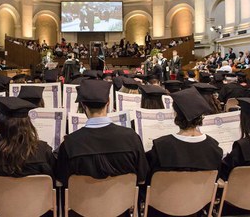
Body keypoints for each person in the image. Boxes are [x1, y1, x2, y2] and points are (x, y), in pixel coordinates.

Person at [56, 80, 149, 214]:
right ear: (108, 102)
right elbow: (142, 179)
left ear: (83, 105)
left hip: (82, 213)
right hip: (120, 212)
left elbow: (61, 183)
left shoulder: (70, 144)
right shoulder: (131, 138)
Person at [146, 87, 222, 216]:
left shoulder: (161, 146)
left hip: (161, 209)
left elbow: (148, 180)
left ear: (176, 114)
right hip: (196, 209)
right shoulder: (214, 148)